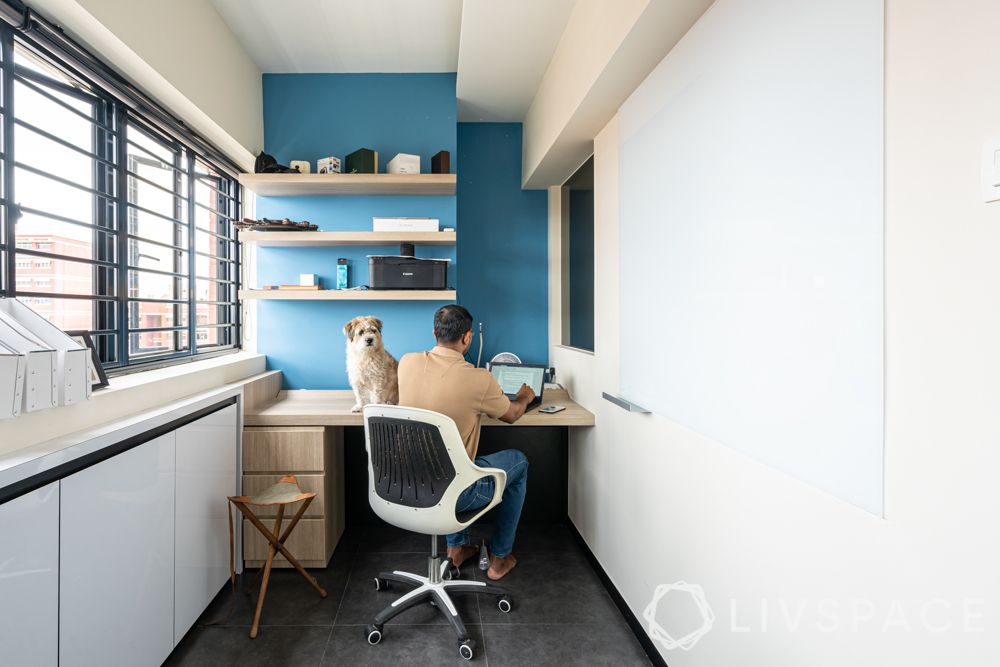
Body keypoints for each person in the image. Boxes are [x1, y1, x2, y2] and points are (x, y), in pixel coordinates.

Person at [397, 305, 535, 580]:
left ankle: (457, 548)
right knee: (517, 460)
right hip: (455, 494)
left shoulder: (407, 362)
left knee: (453, 463)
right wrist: (525, 397)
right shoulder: (478, 379)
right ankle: (499, 558)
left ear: (434, 332)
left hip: (404, 484)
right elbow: (512, 415)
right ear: (468, 338)